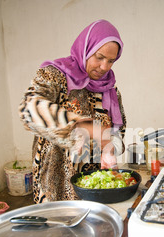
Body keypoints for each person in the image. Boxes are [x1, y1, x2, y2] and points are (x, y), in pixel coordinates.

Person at [18, 20, 126, 203]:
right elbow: (29, 109)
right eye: (99, 57)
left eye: (111, 61)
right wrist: (84, 127)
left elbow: (119, 131)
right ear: (86, 48)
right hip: (56, 185)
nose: (105, 67)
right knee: (56, 230)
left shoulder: (110, 90)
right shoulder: (55, 76)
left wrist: (110, 147)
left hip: (95, 186)